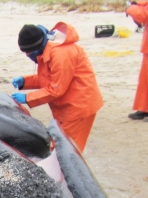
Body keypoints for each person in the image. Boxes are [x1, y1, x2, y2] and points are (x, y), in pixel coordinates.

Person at [10, 22, 103, 153]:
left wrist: (27, 98)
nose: (28, 55)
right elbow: (49, 78)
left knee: (65, 149)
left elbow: (56, 89)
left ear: (37, 46)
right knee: (63, 145)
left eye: (29, 52)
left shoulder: (61, 54)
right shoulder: (48, 48)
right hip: (70, 105)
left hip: (79, 106)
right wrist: (24, 82)